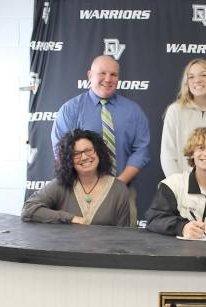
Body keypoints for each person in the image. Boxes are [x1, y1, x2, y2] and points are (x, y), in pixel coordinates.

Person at [51, 55, 150, 225]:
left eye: (113, 75)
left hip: (122, 189)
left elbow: (142, 150)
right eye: (102, 73)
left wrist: (118, 184)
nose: (108, 79)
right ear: (90, 75)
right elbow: (62, 151)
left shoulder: (133, 111)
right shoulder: (71, 109)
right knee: (77, 244)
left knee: (127, 244)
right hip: (78, 191)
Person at [22, 129, 130, 227]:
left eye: (88, 150)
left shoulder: (118, 189)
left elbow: (123, 236)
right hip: (65, 248)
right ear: (69, 160)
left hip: (105, 248)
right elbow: (28, 209)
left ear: (98, 152)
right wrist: (70, 218)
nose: (84, 157)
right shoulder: (61, 185)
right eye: (76, 154)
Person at [160, 58, 206, 177]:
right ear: (187, 82)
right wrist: (178, 186)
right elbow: (168, 156)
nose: (197, 80)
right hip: (181, 189)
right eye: (191, 77)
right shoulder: (175, 111)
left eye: (203, 75)